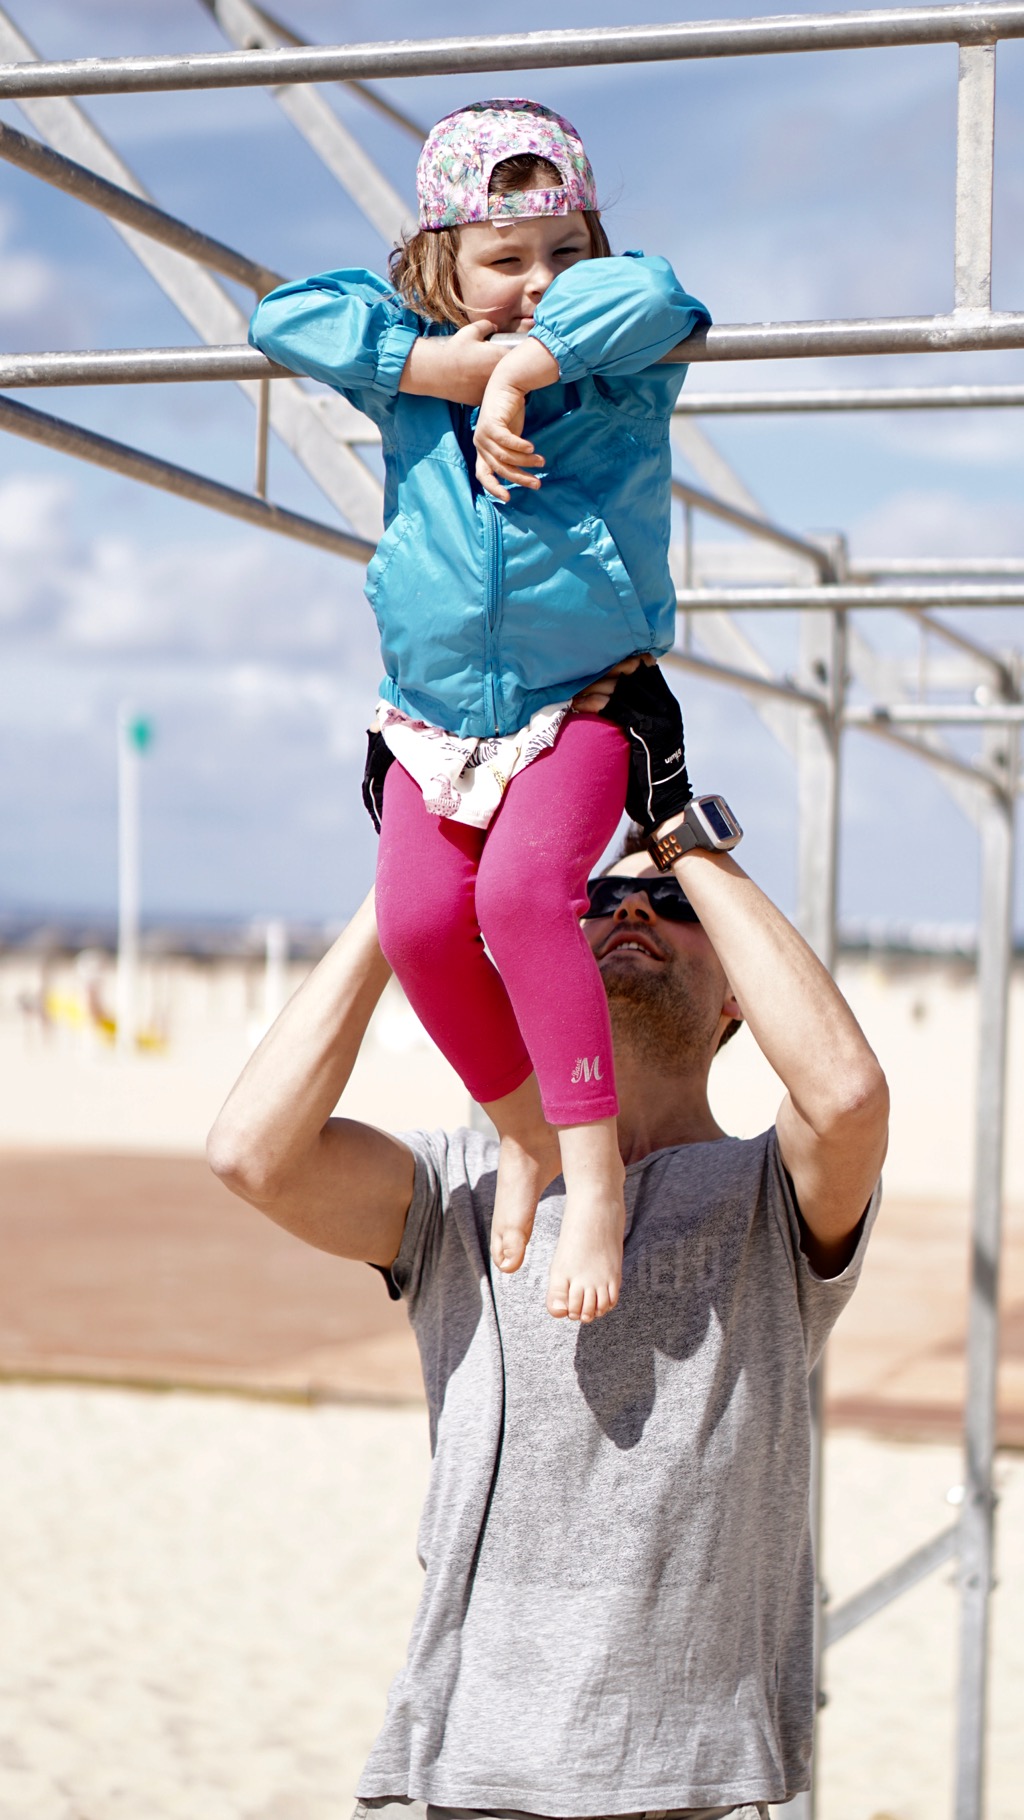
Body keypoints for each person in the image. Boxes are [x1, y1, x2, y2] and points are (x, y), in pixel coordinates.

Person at [207, 672, 890, 1820]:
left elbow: (849, 1092)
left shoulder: (767, 1196)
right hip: (476, 1765)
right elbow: (251, 1151)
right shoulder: (472, 1184)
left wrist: (684, 835)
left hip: (692, 1781)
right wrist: (422, 851)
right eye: (595, 898)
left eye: (667, 906)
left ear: (735, 996)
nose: (628, 910)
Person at [248, 97, 711, 1323]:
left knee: (518, 898)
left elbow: (662, 297)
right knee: (415, 922)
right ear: (441, 271)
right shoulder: (414, 369)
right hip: (433, 715)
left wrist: (526, 368)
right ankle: (526, 1133)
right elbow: (281, 315)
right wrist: (441, 365)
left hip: (581, 701)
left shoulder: (615, 362)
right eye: (506, 263)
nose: (540, 281)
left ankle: (594, 1178)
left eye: (563, 252)